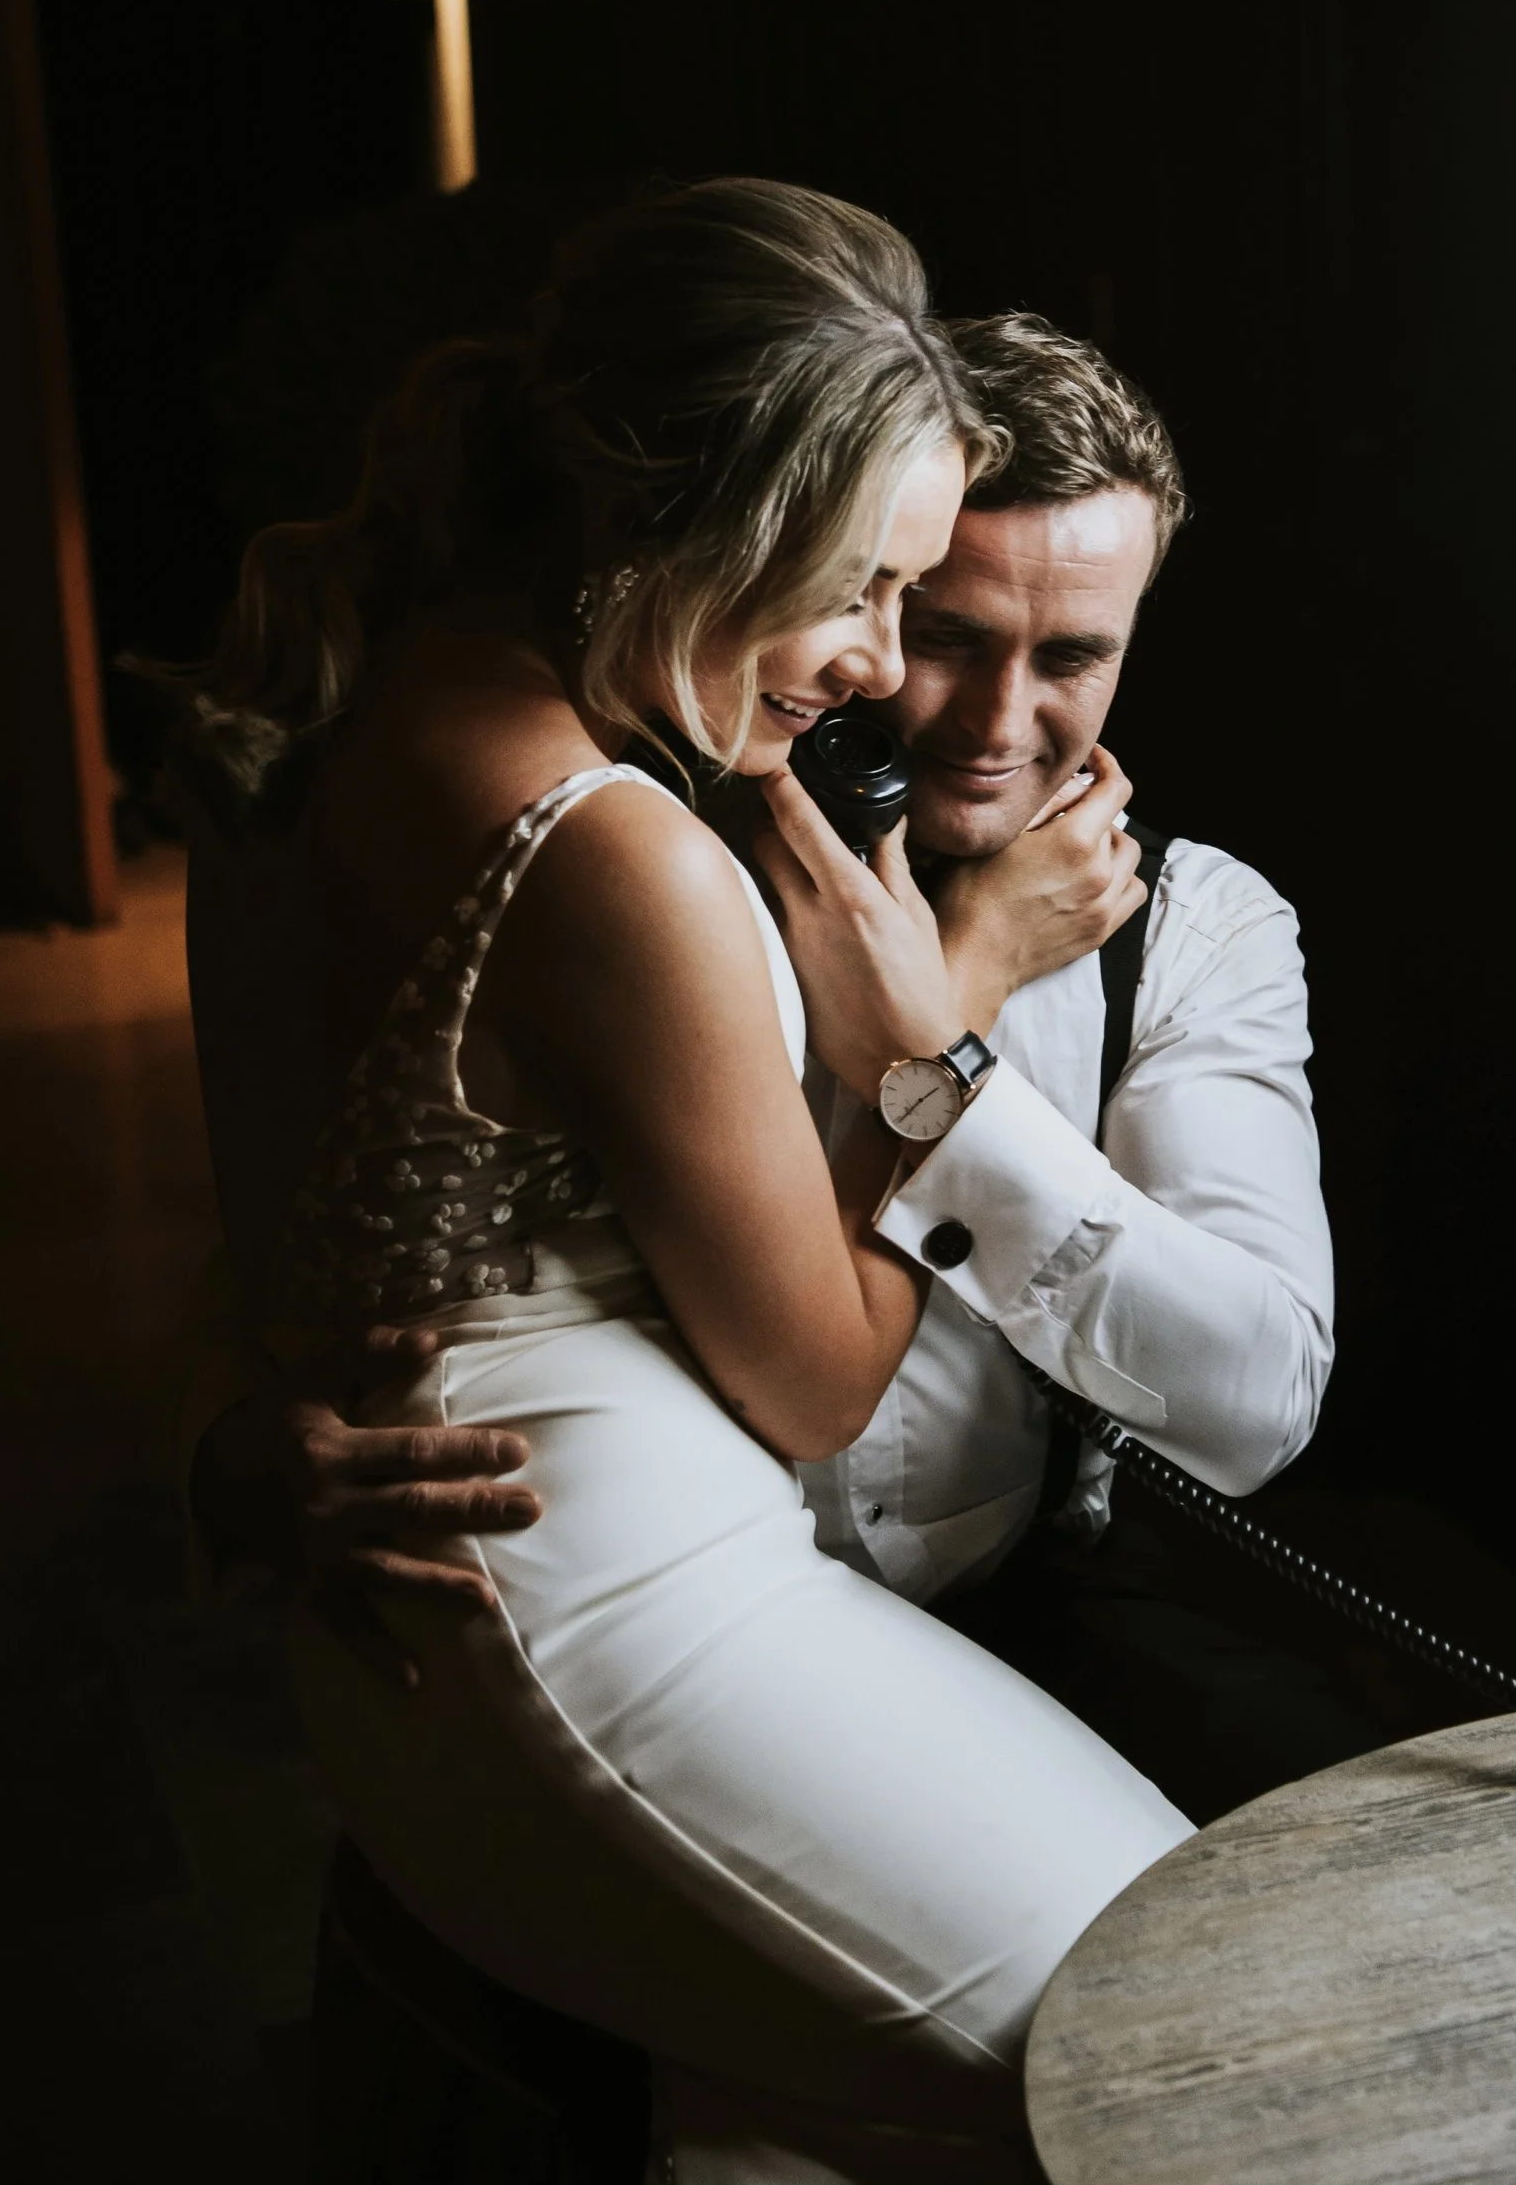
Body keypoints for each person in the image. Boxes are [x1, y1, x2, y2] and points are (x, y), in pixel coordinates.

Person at [172, 177, 1192, 2184]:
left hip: (454, 1611)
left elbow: (281, 1234)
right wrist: (950, 1004)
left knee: (804, 2106)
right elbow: (818, 1379)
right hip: (591, 1603)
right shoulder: (607, 849)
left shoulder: (343, 695)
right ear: (707, 519)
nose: (884, 665)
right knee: (1173, 2031)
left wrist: (225, 1448)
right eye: (865, 588)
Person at [192, 313, 1360, 1825]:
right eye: (938, 635)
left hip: (1030, 1602)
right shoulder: (645, 864)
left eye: (1073, 656)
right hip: (662, 1618)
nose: (1002, 726)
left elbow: (1257, 1399)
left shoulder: (1200, 929)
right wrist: (226, 1440)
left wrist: (936, 1062)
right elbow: (388, 1181)